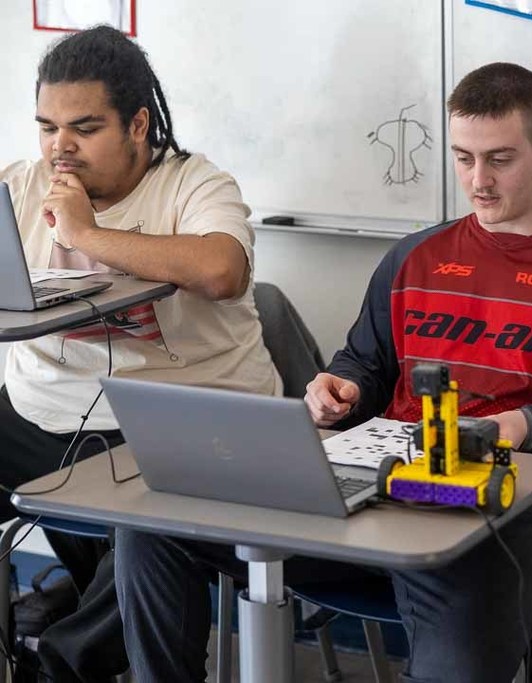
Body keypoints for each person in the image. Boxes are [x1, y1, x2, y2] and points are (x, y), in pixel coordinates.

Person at [115, 62, 532, 681]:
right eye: (463, 159)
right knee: (151, 528)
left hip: (505, 515)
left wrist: (529, 426)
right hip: (377, 488)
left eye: (500, 160)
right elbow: (368, 363)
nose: (478, 182)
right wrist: (343, 388)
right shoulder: (417, 257)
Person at [0, 25, 280, 678]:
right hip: (48, 418)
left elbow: (221, 271)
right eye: (47, 127)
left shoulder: (194, 184)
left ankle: (63, 661)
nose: (58, 149)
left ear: (137, 124)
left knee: (145, 516)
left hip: (180, 426)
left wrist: (88, 234)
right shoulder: (19, 185)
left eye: (83, 128)